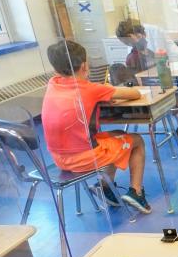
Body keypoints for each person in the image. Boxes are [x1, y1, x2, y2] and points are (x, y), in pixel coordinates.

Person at [41, 40, 151, 213]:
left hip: (58, 158)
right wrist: (105, 89)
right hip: (83, 158)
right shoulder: (92, 88)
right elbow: (134, 93)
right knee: (137, 141)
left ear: (55, 70)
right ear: (85, 65)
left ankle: (105, 187)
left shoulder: (53, 84)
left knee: (117, 135)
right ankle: (136, 191)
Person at [115, 18, 178, 150]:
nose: (144, 37)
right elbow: (141, 81)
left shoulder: (147, 52)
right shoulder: (133, 57)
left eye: (142, 35)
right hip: (151, 95)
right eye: (138, 36)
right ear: (132, 39)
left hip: (159, 87)